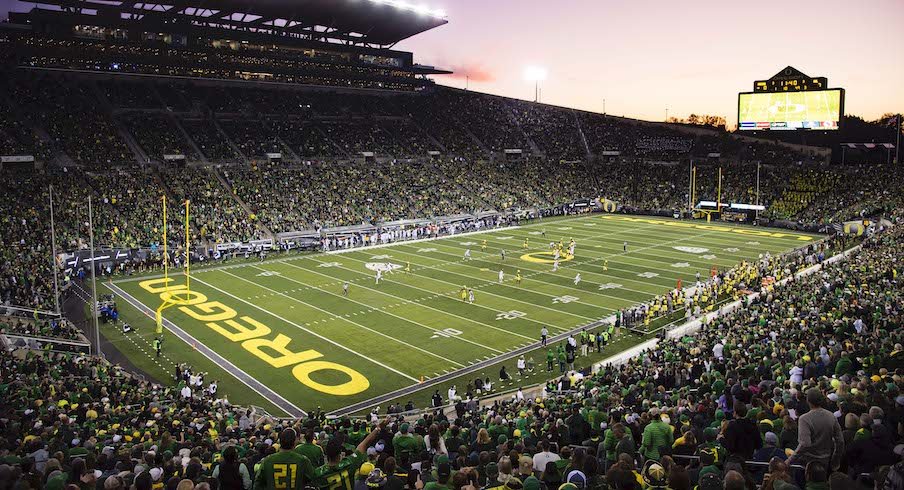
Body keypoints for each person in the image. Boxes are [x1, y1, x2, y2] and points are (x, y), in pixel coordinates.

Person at [315, 418, 389, 489]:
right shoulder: (349, 464)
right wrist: (378, 428)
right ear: (339, 454)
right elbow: (364, 444)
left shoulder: (318, 473)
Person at [787, 389, 844, 471]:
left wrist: (789, 460)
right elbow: (840, 441)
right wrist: (835, 459)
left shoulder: (804, 419)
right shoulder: (831, 416)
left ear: (808, 401)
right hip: (826, 460)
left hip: (808, 463)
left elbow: (804, 444)